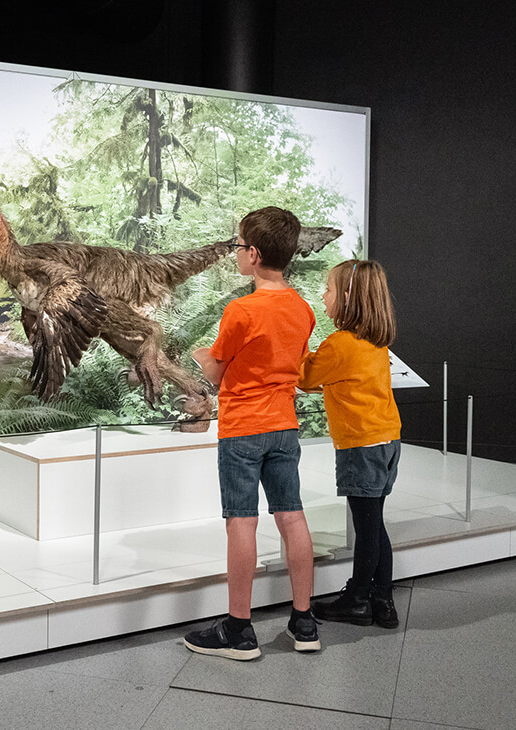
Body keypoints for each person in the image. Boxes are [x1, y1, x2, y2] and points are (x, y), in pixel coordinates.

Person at [183, 206, 320, 659]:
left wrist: (201, 356)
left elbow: (218, 373)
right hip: (284, 426)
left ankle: (239, 629)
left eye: (239, 246)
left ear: (254, 254)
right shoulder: (303, 309)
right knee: (293, 516)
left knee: (241, 521)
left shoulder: (240, 310)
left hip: (242, 429)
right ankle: (304, 622)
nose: (236, 253)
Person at [297, 258, 402, 628]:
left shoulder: (340, 344)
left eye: (326, 290)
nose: (322, 297)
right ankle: (383, 601)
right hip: (388, 440)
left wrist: (294, 337)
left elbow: (305, 377)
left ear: (345, 297)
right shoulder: (375, 341)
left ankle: (357, 598)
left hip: (361, 445)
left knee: (367, 527)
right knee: (375, 524)